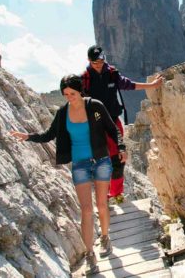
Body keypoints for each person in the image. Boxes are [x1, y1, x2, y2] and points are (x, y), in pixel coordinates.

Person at [10, 74, 122, 274]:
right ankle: (90, 253)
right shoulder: (63, 113)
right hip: (79, 165)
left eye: (72, 93)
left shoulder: (95, 106)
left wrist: (122, 147)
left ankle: (105, 237)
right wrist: (28, 137)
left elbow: (112, 129)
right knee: (86, 210)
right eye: (65, 94)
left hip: (101, 162)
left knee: (102, 205)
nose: (69, 97)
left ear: (80, 90)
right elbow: (49, 134)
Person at [81, 45, 163, 204]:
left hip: (113, 120)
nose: (97, 65)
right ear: (88, 61)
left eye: (99, 61)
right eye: (94, 62)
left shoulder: (112, 74)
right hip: (95, 123)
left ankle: (116, 193)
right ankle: (103, 195)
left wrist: (152, 86)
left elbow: (130, 85)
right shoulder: (85, 79)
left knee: (118, 158)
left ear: (104, 59)